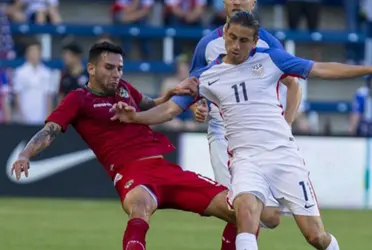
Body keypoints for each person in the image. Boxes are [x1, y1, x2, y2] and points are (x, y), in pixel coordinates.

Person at [109, 10, 372, 250]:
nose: (235, 46)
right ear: (224, 34)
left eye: (244, 40)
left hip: (283, 157)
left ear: (255, 41)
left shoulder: (272, 59)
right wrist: (136, 118)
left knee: (315, 237)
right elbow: (169, 110)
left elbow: (321, 69)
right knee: (245, 215)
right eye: (231, 37)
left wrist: (367, 68)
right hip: (246, 160)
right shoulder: (206, 76)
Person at [10, 42, 239, 250]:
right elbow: (49, 130)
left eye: (119, 68)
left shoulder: (124, 89)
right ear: (91, 68)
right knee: (140, 207)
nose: (116, 74)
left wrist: (169, 94)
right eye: (109, 68)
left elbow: (148, 104)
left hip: (164, 168)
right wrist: (25, 154)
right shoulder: (78, 99)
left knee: (239, 210)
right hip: (130, 173)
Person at [188, 0, 299, 243]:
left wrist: (285, 126)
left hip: (261, 138)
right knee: (239, 206)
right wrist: (199, 106)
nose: (237, 1)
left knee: (270, 216)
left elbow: (293, 85)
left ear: (254, 2)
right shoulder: (207, 44)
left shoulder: (269, 44)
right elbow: (194, 88)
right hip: (222, 132)